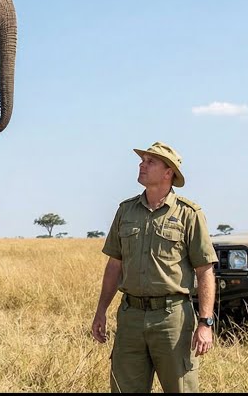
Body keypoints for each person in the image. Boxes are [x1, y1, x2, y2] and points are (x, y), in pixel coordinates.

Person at [90, 141, 218, 393]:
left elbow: (205, 271)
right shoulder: (126, 211)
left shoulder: (189, 214)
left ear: (168, 171)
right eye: (142, 160)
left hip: (172, 319)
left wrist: (205, 323)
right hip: (131, 317)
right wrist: (101, 310)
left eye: (150, 161)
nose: (142, 165)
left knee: (181, 388)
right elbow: (114, 265)